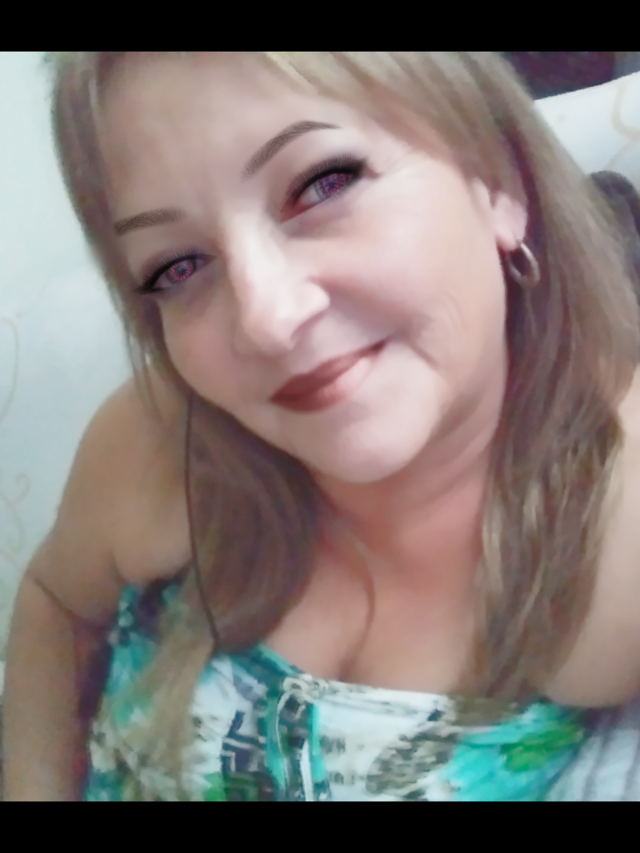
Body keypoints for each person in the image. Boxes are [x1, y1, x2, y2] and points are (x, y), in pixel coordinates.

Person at [3, 51, 640, 802]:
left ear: (497, 180)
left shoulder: (612, 517)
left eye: (324, 183)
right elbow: (57, 607)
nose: (266, 319)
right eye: (178, 266)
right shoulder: (165, 440)